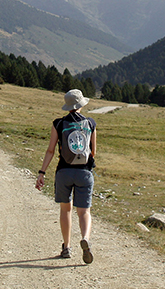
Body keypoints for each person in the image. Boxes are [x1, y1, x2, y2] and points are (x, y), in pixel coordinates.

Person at [35, 89, 97, 264]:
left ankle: (67, 247)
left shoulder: (58, 123)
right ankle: (85, 238)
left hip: (63, 172)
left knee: (65, 209)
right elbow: (93, 151)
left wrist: (42, 172)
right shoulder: (91, 123)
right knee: (84, 211)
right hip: (84, 172)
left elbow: (50, 150)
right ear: (81, 104)